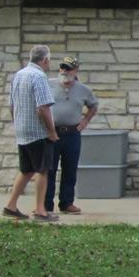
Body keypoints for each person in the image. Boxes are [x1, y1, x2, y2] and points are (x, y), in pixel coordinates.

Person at [3, 44, 59, 221]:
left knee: (26, 170)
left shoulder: (19, 75)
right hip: (38, 132)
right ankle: (41, 210)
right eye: (49, 60)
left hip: (22, 130)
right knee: (42, 170)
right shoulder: (39, 76)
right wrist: (51, 131)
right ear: (45, 59)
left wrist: (17, 124)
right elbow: (43, 108)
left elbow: (12, 105)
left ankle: (11, 206)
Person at [43, 56, 98, 216]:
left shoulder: (83, 89)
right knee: (49, 169)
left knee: (70, 169)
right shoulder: (48, 84)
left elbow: (93, 106)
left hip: (72, 134)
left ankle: (67, 203)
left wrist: (85, 121)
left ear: (75, 70)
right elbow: (40, 105)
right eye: (62, 67)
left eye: (68, 68)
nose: (64, 71)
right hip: (51, 133)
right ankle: (46, 205)